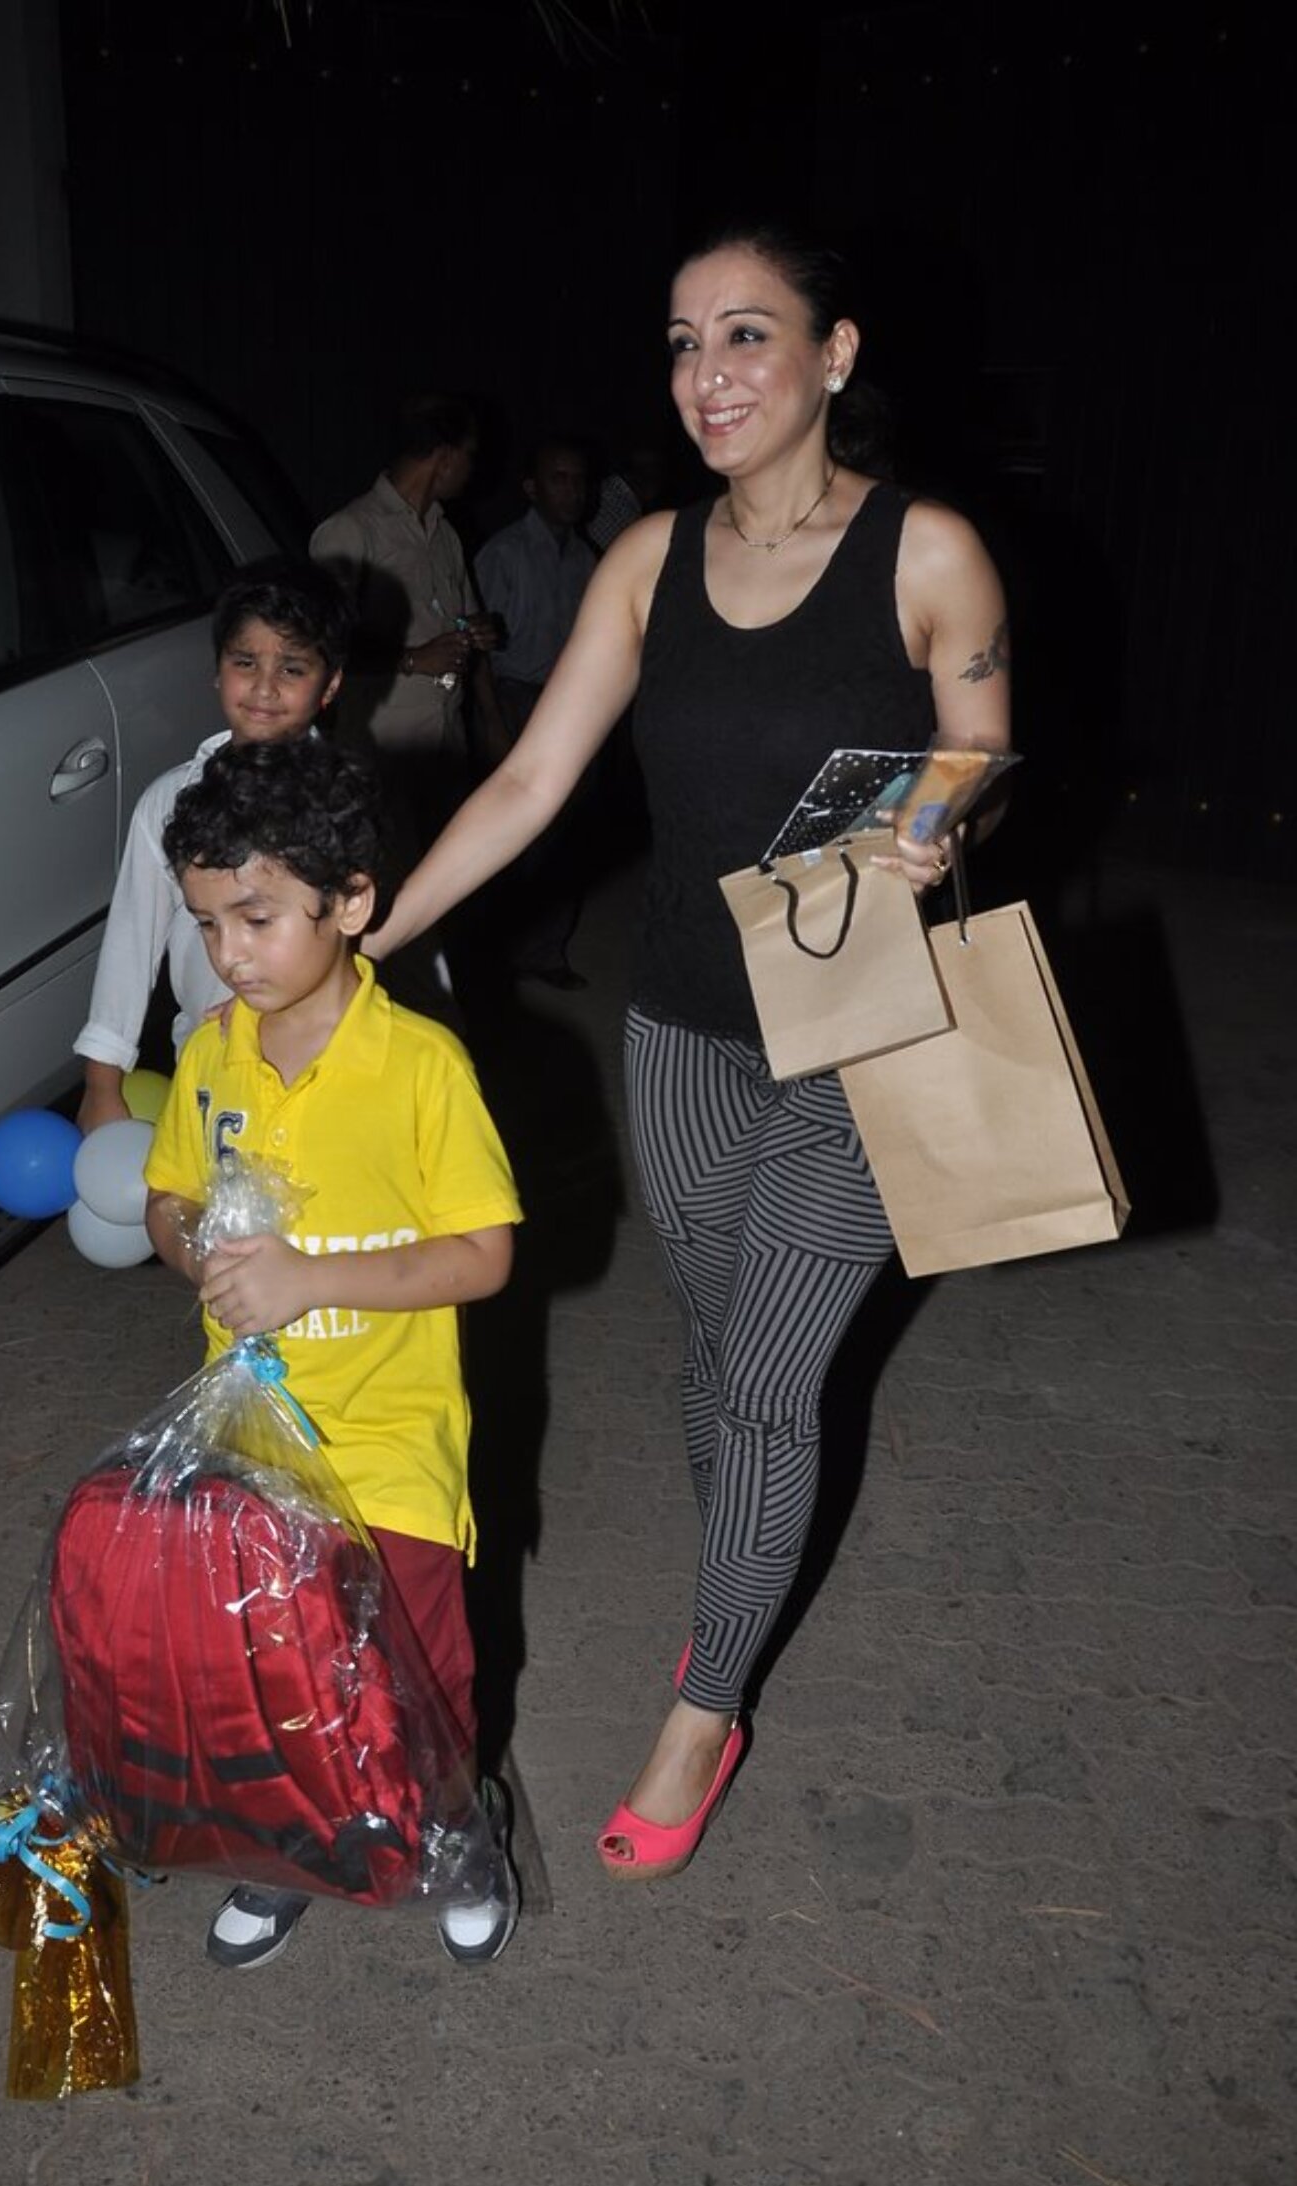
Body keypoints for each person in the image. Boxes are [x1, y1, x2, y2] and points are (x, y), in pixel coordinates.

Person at [367, 223, 1011, 1882]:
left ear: (835, 355)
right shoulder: (646, 557)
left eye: (747, 335)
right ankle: (741, 1574)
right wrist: (372, 937)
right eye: (680, 341)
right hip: (682, 1020)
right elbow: (528, 782)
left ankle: (707, 1700)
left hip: (867, 1020)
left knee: (778, 1371)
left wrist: (931, 822)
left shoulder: (926, 547)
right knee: (715, 1339)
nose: (708, 373)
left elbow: (978, 737)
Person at [143, 736, 524, 1967]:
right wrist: (194, 1238)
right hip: (253, 1447)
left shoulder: (420, 1066)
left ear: (351, 901)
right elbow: (165, 1200)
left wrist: (310, 1277)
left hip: (393, 1446)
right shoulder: (211, 1055)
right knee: (270, 1671)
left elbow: (482, 1252)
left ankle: (458, 1831)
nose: (229, 953)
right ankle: (291, 1848)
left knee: (410, 1675)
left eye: (256, 916)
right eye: (207, 923)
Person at [74, 559, 349, 1133]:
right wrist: (102, 1083)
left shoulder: (347, 800)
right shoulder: (171, 801)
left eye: (292, 668)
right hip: (209, 1063)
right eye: (245, 662)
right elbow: (130, 943)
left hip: (334, 1060)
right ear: (218, 672)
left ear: (331, 685)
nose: (265, 688)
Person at [310, 393, 508, 851]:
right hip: (382, 750)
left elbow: (463, 622)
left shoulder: (446, 534)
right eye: (470, 455)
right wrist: (414, 659)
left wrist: (492, 715)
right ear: (445, 454)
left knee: (446, 876)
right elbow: (317, 648)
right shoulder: (351, 530)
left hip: (447, 743)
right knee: (385, 879)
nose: (472, 468)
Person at [473, 435, 598, 985]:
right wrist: (493, 720)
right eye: (559, 478)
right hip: (517, 698)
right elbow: (475, 644)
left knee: (568, 838)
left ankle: (546, 952)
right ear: (532, 487)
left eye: (578, 479)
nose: (572, 491)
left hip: (573, 706)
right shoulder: (502, 555)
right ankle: (493, 952)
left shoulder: (588, 558)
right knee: (510, 837)